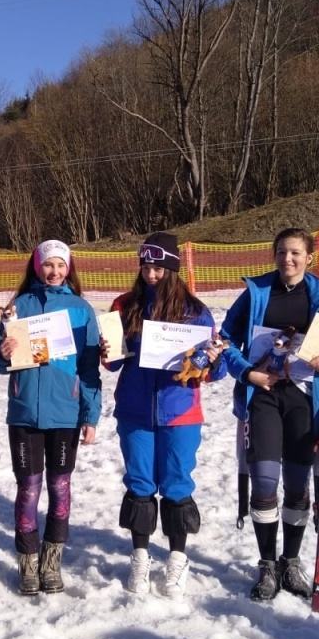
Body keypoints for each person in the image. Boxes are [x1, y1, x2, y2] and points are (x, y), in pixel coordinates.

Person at [219, 226, 319, 602]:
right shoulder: (257, 292)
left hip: (304, 401)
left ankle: (290, 562)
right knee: (265, 482)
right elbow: (224, 339)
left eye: (295, 253)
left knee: (297, 485)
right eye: (281, 252)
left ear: (309, 257)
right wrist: (247, 372)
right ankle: (267, 565)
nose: (287, 259)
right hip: (264, 397)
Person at [103, 232, 226, 598]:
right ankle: (140, 556)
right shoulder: (125, 305)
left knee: (176, 484)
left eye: (158, 268)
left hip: (180, 411)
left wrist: (213, 360)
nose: (151, 274)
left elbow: (215, 371)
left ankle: (177, 558)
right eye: (146, 267)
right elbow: (113, 363)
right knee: (140, 484)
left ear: (172, 269)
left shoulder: (195, 310)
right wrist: (105, 350)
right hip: (136, 410)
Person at [0, 240, 101, 595]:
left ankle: (51, 562)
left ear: (69, 268)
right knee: (28, 489)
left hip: (65, 413)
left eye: (60, 265)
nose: (54, 271)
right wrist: (3, 353)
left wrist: (91, 415)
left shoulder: (81, 310)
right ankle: (28, 561)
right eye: (48, 265)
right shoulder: (18, 307)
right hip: (24, 413)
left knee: (59, 487)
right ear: (37, 267)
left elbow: (89, 368)